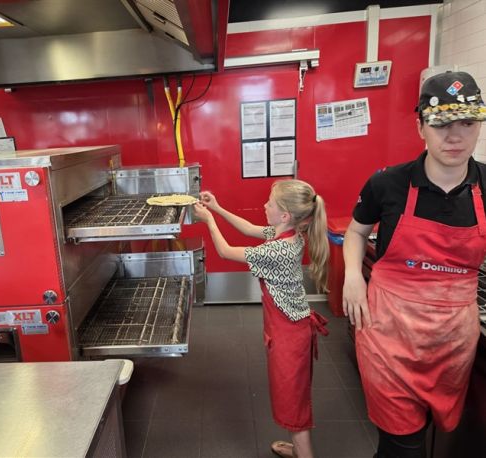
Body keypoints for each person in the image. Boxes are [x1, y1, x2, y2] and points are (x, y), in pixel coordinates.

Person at [342, 71, 486, 458]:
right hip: (388, 334)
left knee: (422, 439)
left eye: (467, 123)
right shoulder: (387, 183)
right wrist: (353, 276)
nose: (454, 136)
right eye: (441, 124)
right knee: (403, 445)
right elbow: (356, 232)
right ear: (420, 126)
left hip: (452, 341)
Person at [194, 179, 329, 458]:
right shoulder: (288, 233)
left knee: (293, 404)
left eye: (270, 203)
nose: (265, 205)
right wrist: (216, 207)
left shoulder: (276, 250)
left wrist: (208, 220)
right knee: (293, 396)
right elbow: (246, 228)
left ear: (285, 215)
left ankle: (304, 453)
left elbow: (225, 251)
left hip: (290, 337)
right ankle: (298, 448)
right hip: (293, 329)